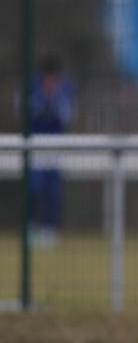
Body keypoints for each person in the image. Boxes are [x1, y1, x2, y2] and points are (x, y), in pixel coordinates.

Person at [27, 55, 77, 247]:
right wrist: (42, 104)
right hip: (35, 145)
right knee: (34, 188)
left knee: (53, 191)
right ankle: (31, 228)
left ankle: (50, 230)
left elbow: (67, 116)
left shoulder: (65, 90)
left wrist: (53, 102)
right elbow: (24, 112)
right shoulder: (32, 88)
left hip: (56, 146)